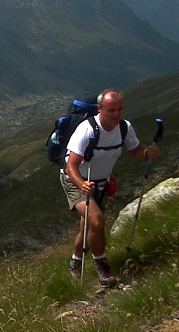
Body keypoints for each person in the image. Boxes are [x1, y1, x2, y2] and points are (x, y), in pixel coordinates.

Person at [60, 89, 159, 287]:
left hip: (101, 183)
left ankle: (75, 262)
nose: (116, 114)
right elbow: (71, 165)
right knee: (96, 221)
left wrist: (147, 153)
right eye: (111, 110)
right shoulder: (86, 130)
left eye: (120, 109)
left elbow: (135, 151)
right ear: (100, 109)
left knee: (88, 226)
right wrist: (81, 184)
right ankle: (102, 268)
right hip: (77, 180)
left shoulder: (124, 128)